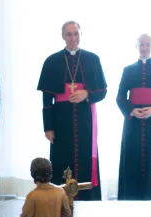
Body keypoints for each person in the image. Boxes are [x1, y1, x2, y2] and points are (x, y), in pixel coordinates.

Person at [37, 21, 107, 200]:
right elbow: (46, 100)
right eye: (69, 34)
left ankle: (87, 200)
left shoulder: (93, 59)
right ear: (63, 36)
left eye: (76, 33)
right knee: (62, 161)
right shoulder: (52, 61)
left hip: (85, 120)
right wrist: (48, 127)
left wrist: (87, 94)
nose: (73, 38)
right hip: (61, 120)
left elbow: (102, 91)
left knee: (84, 161)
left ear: (81, 35)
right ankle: (60, 201)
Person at [116, 34, 151, 202]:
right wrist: (131, 111)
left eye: (148, 44)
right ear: (137, 46)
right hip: (132, 124)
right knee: (131, 160)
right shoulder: (128, 70)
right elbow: (120, 97)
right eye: (142, 44)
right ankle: (130, 199)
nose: (145, 48)